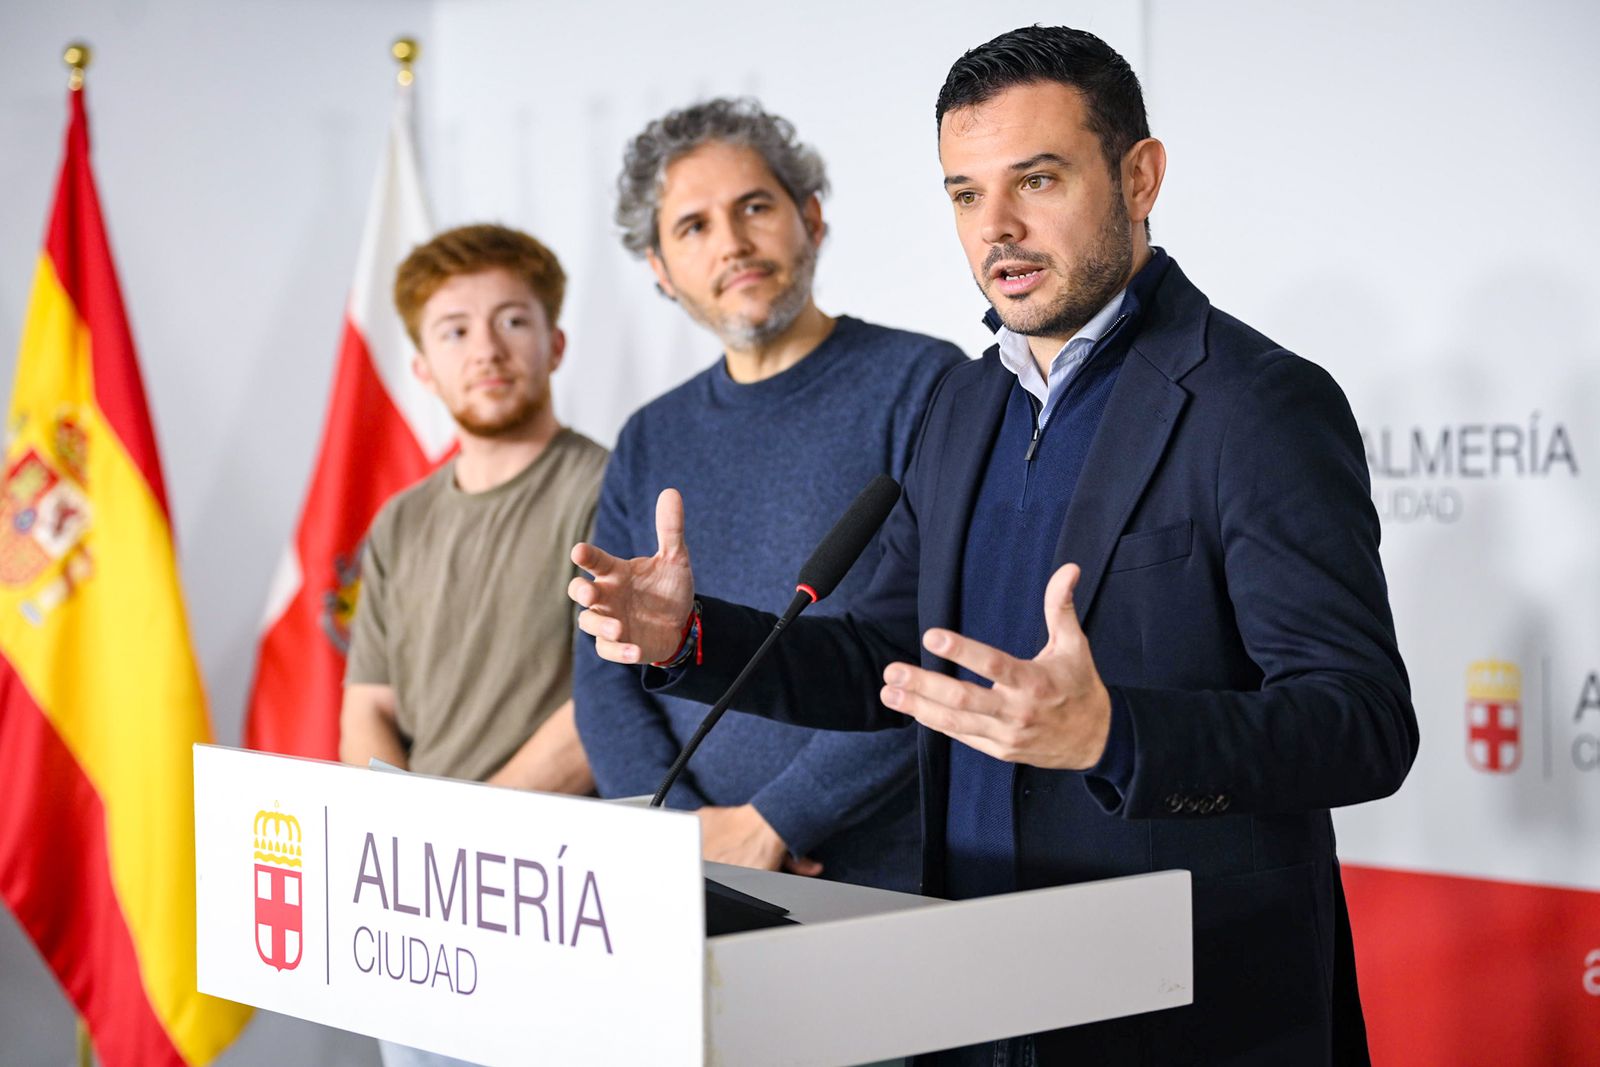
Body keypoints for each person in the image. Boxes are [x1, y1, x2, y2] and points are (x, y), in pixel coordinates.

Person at [570, 27, 1417, 1067]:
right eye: (964, 194)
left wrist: (1113, 734)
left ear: (1139, 176)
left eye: (1038, 179)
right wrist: (689, 636)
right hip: (969, 996)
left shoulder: (1256, 403)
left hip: (1181, 1002)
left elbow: (1363, 723)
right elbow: (877, 660)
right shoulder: (964, 401)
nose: (996, 227)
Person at [572, 98, 966, 892]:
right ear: (659, 268)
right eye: (694, 226)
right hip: (687, 871)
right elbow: (605, 662)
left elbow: (950, 642)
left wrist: (778, 820)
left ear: (811, 217)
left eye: (754, 206)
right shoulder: (650, 435)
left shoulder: (927, 386)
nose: (733, 243)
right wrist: (675, 826)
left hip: (883, 869)